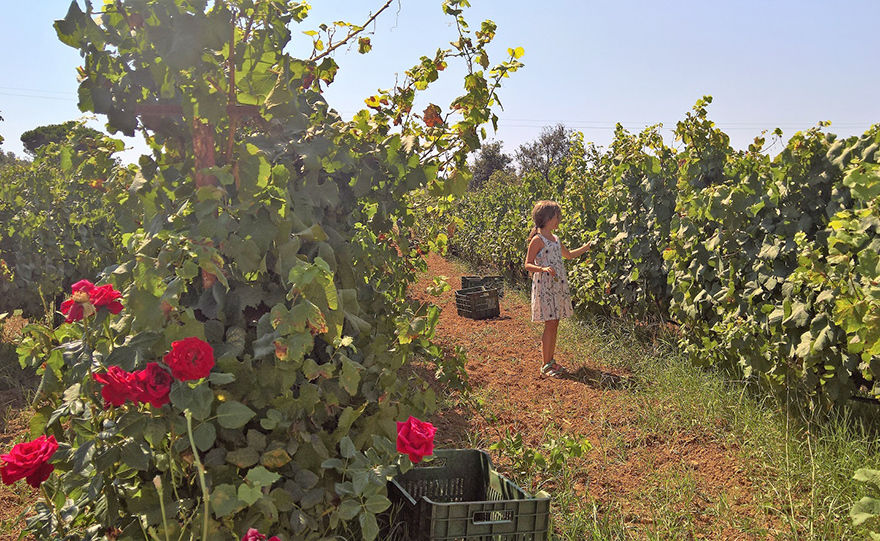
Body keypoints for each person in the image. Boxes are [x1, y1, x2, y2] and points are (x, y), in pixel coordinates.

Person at [524, 200, 593, 377]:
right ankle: (545, 364)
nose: (559, 220)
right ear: (547, 218)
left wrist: (587, 247)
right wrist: (543, 269)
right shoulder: (537, 240)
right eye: (557, 217)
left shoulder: (555, 239)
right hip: (546, 287)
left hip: (557, 286)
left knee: (555, 323)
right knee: (550, 324)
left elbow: (568, 255)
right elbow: (527, 264)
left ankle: (550, 361)